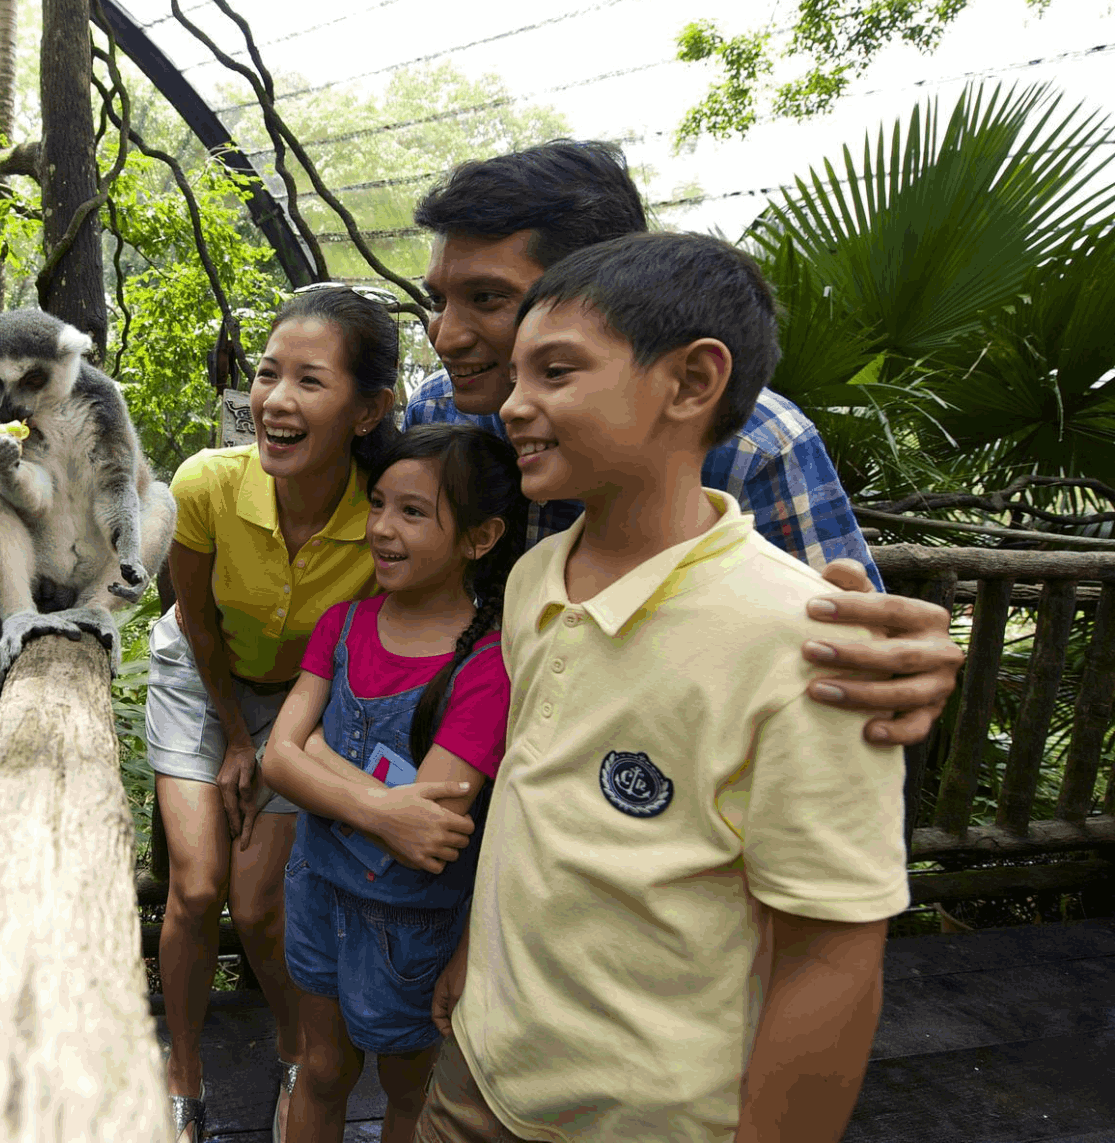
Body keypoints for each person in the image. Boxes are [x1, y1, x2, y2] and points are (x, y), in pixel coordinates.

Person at [415, 231, 910, 1142]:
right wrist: (473, 956)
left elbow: (831, 952)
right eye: (516, 376)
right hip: (481, 1070)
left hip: (651, 1114)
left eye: (555, 373)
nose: (514, 406)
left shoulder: (802, 640)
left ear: (689, 383)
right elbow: (534, 802)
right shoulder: (534, 578)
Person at [405, 140, 963, 744]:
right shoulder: (438, 411)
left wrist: (896, 663)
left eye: (487, 298)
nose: (445, 334)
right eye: (437, 300)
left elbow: (850, 652)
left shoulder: (755, 443)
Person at [147, 285, 401, 1143]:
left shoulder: (384, 517)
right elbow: (196, 622)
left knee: (259, 905)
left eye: (309, 381)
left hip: (305, 695)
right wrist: (230, 738)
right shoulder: (207, 485)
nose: (275, 400)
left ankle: (300, 1054)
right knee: (197, 885)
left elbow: (349, 654)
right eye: (266, 374)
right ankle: (182, 1073)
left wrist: (274, 741)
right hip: (202, 675)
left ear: (367, 411)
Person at [260, 424, 527, 1143]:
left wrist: (315, 749)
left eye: (413, 512)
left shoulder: (486, 666)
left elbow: (425, 834)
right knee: (320, 1068)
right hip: (316, 888)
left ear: (479, 537)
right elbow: (273, 759)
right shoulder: (341, 624)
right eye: (378, 504)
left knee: (409, 1090)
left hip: (410, 926)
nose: (381, 527)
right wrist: (378, 804)